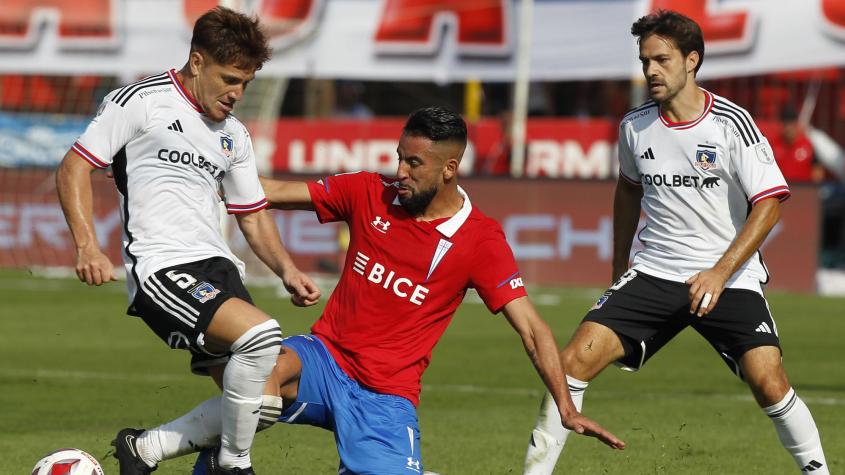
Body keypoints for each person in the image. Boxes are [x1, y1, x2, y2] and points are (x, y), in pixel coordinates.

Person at [133, 106, 625, 474]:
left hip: (386, 396)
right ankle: (152, 451)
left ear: (449, 169)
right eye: (399, 158)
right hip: (323, 358)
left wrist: (564, 405)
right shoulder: (369, 192)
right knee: (257, 371)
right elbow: (269, 192)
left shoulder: (480, 239)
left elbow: (534, 331)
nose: (400, 173)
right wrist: (192, 173)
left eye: (414, 164)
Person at [523, 10, 829, 474]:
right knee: (571, 362)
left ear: (692, 60)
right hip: (655, 270)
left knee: (769, 381)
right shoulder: (634, 126)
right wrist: (617, 269)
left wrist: (720, 273)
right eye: (645, 60)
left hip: (729, 275)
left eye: (661, 60)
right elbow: (627, 190)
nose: (650, 71)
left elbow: (769, 205)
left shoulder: (732, 124)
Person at [55, 7, 320, 475]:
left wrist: (286, 269)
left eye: (246, 84)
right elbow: (76, 165)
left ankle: (146, 449)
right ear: (197, 62)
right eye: (230, 79)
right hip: (162, 268)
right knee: (260, 336)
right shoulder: (140, 101)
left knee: (265, 402)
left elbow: (252, 214)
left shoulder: (233, 136)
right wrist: (86, 246)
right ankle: (233, 467)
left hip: (219, 271)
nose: (237, 93)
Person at [769, 105, 825, 184]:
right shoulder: (773, 145)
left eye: (791, 123)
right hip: (781, 190)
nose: (788, 128)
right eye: (786, 124)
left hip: (803, 189)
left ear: (796, 124)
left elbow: (817, 169)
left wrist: (813, 188)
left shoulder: (806, 144)